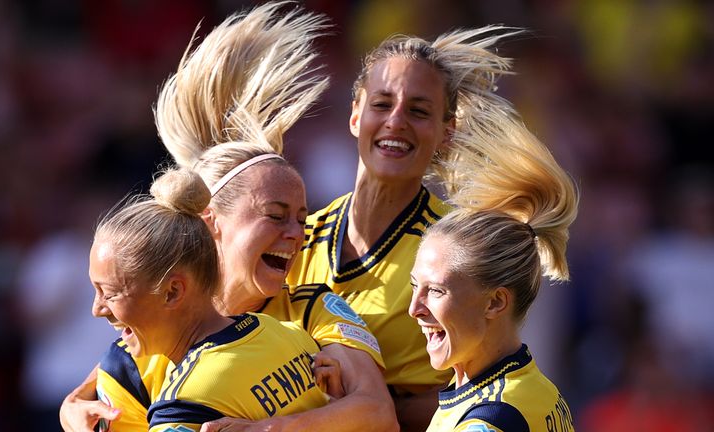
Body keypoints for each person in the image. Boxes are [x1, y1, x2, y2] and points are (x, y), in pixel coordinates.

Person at [61, 3, 397, 431]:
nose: (298, 232)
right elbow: (99, 393)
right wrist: (71, 406)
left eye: (301, 216)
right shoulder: (145, 340)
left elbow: (380, 414)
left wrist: (264, 428)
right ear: (210, 221)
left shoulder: (315, 309)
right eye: (276, 216)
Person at [286, 25, 523, 431]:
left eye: (418, 111)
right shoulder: (296, 236)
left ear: (446, 132)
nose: (396, 122)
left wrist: (366, 401)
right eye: (382, 104)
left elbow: (487, 389)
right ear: (356, 115)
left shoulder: (456, 250)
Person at [90, 167, 334, 431]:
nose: (97, 309)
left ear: (172, 291)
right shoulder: (291, 336)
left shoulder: (185, 406)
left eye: (110, 293)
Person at [408, 107, 578, 431]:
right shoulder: (533, 387)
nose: (414, 308)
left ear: (496, 302)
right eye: (415, 286)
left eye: (436, 290)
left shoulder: (490, 419)